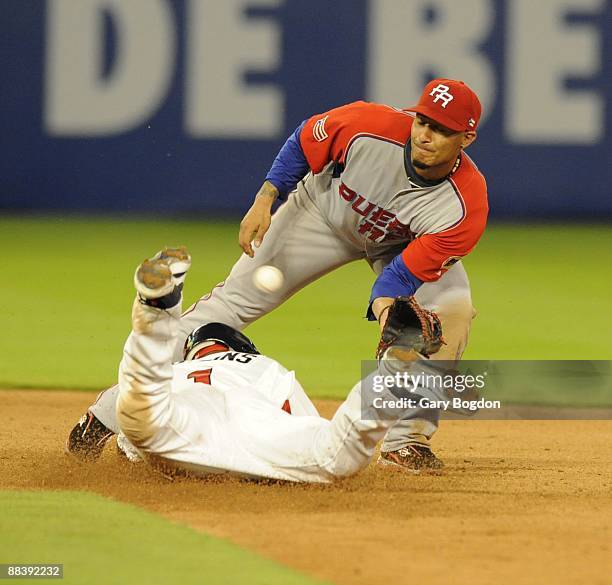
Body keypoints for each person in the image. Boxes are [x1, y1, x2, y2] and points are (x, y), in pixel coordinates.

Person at [68, 78, 488, 471]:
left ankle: (405, 440)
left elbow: (397, 278)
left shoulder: (464, 206)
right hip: (320, 213)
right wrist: (265, 199)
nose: (425, 135)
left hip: (397, 244)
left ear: (466, 139)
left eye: (442, 129)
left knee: (452, 307)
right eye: (422, 121)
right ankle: (109, 412)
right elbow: (305, 141)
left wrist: (389, 316)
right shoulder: (368, 125)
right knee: (228, 306)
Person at [71, 247, 444, 483]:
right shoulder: (266, 367)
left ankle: (157, 315)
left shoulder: (180, 370)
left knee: (143, 405)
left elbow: (99, 429)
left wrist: (114, 442)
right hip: (261, 434)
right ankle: (395, 367)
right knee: (335, 455)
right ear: (242, 345)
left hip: (186, 425)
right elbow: (300, 417)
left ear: (193, 350)